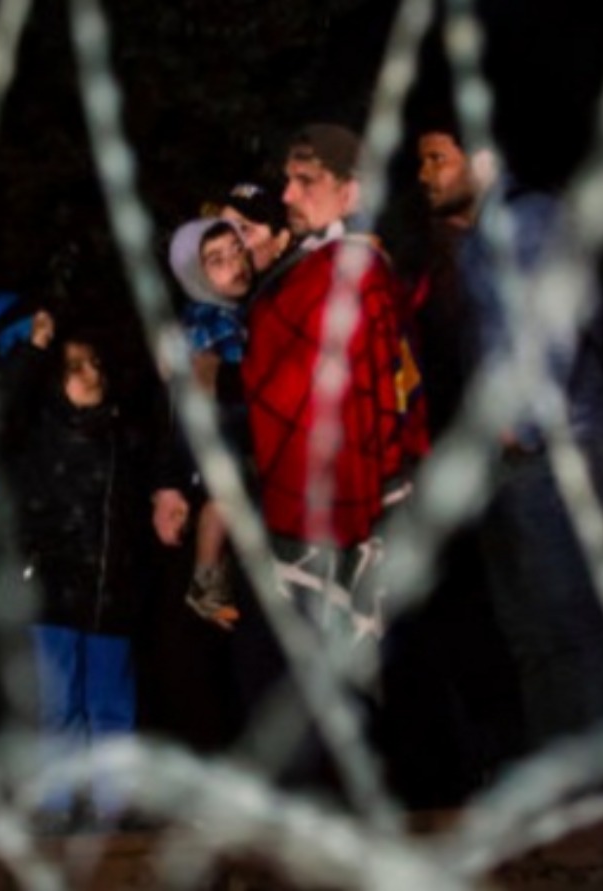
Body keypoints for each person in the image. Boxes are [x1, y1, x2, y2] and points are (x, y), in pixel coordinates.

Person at [417, 120, 603, 751]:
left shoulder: (527, 219)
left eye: (437, 159)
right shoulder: (483, 235)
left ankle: (594, 781)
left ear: (481, 160)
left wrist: (523, 425)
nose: (425, 174)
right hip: (514, 459)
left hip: (553, 452)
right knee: (533, 638)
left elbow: (555, 322)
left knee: (567, 630)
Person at [230, 123, 424, 796]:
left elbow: (369, 400)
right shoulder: (312, 268)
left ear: (353, 191)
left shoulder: (355, 271)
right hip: (294, 497)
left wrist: (363, 514)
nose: (287, 194)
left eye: (305, 181)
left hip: (344, 505)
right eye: (288, 179)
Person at [1, 309, 148, 831]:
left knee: (111, 706)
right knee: (58, 706)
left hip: (113, 592)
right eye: (75, 367)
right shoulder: (34, 434)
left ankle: (113, 808)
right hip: (51, 591)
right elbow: (0, 413)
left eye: (95, 364)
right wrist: (36, 349)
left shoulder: (124, 433)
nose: (91, 375)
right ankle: (56, 808)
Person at [166, 217, 256, 629]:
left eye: (237, 251)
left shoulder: (232, 311)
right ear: (195, 276)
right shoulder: (208, 318)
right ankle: (205, 582)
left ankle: (213, 580)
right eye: (217, 261)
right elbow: (217, 378)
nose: (235, 264)